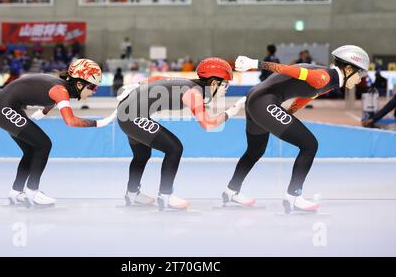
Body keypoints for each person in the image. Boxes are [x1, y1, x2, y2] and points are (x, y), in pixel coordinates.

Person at [228, 45, 369, 213]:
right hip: (262, 102)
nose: (361, 79)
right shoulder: (323, 77)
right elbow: (288, 70)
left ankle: (231, 191)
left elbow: (301, 100)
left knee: (255, 151)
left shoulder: (328, 80)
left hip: (256, 99)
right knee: (310, 145)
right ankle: (293, 196)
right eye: (361, 73)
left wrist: (283, 117)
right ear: (348, 68)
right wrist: (255, 63)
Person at [116, 57, 246, 210]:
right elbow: (209, 125)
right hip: (131, 116)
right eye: (226, 83)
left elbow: (158, 78)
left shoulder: (190, 84)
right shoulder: (194, 93)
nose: (227, 87)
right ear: (213, 83)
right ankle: (165, 196)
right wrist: (232, 111)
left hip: (127, 113)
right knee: (174, 148)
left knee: (142, 155)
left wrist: (137, 84)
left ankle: (132, 195)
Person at [0, 59, 116, 208]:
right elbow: (70, 121)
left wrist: (42, 112)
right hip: (3, 108)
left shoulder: (62, 88)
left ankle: (15, 194)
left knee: (31, 150)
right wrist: (101, 123)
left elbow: (50, 98)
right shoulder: (61, 90)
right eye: (93, 87)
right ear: (79, 84)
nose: (95, 91)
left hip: (7, 106)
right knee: (43, 144)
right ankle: (32, 192)